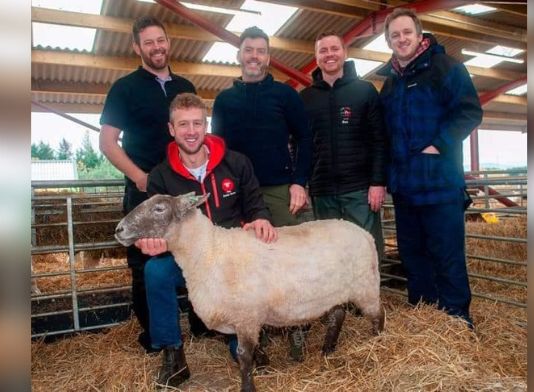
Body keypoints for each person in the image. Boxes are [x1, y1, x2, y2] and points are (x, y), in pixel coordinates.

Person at [134, 93, 277, 387]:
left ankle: (240, 340)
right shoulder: (161, 177)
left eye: (197, 123)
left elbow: (254, 203)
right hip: (189, 258)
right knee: (155, 271)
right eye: (183, 124)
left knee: (256, 265)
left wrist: (261, 217)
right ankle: (173, 353)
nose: (191, 131)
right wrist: (153, 241)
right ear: (171, 129)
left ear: (205, 125)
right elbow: (158, 224)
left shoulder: (236, 163)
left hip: (232, 255)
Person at [98, 15, 200, 352]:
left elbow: (196, 134)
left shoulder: (185, 86)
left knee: (194, 252)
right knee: (145, 265)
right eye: (149, 42)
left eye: (161, 40)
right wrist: (139, 177)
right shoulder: (124, 88)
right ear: (137, 47)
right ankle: (157, 337)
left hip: (182, 190)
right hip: (144, 191)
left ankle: (203, 322)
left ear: (168, 43)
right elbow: (108, 142)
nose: (157, 47)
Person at [211, 26, 313, 360]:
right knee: (245, 265)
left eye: (260, 51)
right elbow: (218, 150)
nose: (254, 56)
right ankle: (255, 331)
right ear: (239, 55)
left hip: (279, 189)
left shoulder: (285, 96)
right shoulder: (225, 101)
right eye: (248, 50)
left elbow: (306, 138)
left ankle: (298, 326)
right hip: (238, 195)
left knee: (291, 258)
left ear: (268, 57)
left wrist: (299, 181)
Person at [376, 9, 483, 327]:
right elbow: (384, 134)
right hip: (406, 188)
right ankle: (423, 319)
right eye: (395, 35)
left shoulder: (445, 67)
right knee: (413, 256)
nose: (402, 39)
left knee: (447, 254)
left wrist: (439, 144)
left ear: (420, 34)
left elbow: (469, 111)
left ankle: (457, 320)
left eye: (407, 32)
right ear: (389, 41)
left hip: (440, 183)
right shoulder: (391, 84)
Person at [299, 31, 387, 259]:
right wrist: (303, 183)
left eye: (334, 49)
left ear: (344, 53)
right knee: (330, 254)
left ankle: (368, 296)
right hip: (322, 190)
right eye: (323, 50)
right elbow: (300, 143)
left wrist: (378, 182)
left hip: (359, 189)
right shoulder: (306, 98)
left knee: (365, 250)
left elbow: (380, 139)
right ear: (316, 57)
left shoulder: (364, 90)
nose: (329, 55)